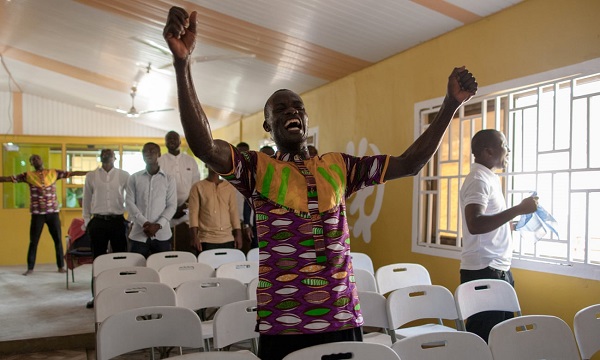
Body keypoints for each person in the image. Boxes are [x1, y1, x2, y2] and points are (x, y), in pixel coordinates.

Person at [163, 7, 477, 359]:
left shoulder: (339, 166)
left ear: (307, 119)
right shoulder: (255, 168)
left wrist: (450, 105)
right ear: (268, 127)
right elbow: (205, 146)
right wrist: (183, 66)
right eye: (280, 110)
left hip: (341, 312)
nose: (291, 112)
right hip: (284, 319)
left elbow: (410, 163)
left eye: (297, 107)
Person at [459, 129, 538, 342]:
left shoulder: (488, 177)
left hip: (498, 269)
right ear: (488, 152)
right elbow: (474, 223)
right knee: (485, 339)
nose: (508, 150)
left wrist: (508, 225)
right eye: (504, 145)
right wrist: (518, 209)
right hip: (484, 270)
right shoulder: (478, 179)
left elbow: (486, 221)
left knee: (503, 338)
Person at [0, 154, 87, 275]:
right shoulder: (28, 176)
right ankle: (30, 268)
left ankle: (61, 266)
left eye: (37, 158)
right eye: (33, 159)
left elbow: (71, 173)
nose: (36, 160)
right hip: (37, 214)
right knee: (34, 241)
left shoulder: (53, 173)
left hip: (53, 213)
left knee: (57, 240)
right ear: (31, 163)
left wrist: (89, 173)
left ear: (41, 160)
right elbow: (9, 178)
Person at [81, 148, 130, 308]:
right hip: (98, 222)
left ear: (115, 157)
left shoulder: (124, 175)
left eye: (109, 153)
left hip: (117, 221)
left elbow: (130, 198)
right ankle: (97, 297)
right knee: (98, 260)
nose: (106, 155)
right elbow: (87, 199)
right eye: (103, 153)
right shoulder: (91, 176)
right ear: (100, 157)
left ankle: (120, 295)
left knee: (120, 259)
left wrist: (129, 219)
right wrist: (88, 221)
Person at [126, 142, 177, 258]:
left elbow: (172, 205)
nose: (149, 153)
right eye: (146, 151)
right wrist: (144, 223)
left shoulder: (169, 179)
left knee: (162, 270)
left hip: (162, 234)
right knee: (136, 271)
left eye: (152, 151)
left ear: (159, 154)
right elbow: (129, 203)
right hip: (138, 233)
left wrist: (158, 225)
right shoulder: (134, 178)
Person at [158, 130, 201, 252]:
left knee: (185, 248)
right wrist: (171, 208)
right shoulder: (160, 161)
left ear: (180, 142)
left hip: (187, 212)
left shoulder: (190, 161)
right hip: (165, 213)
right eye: (169, 139)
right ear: (165, 143)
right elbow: (158, 189)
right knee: (167, 250)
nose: (172, 140)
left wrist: (184, 206)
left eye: (174, 138)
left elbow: (196, 187)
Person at [188, 167, 242, 253]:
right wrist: (194, 237)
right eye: (211, 162)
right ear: (206, 164)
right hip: (206, 240)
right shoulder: (197, 187)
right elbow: (193, 214)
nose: (214, 165)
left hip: (227, 239)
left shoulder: (229, 187)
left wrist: (238, 235)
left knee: (227, 266)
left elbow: (234, 212)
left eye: (217, 163)